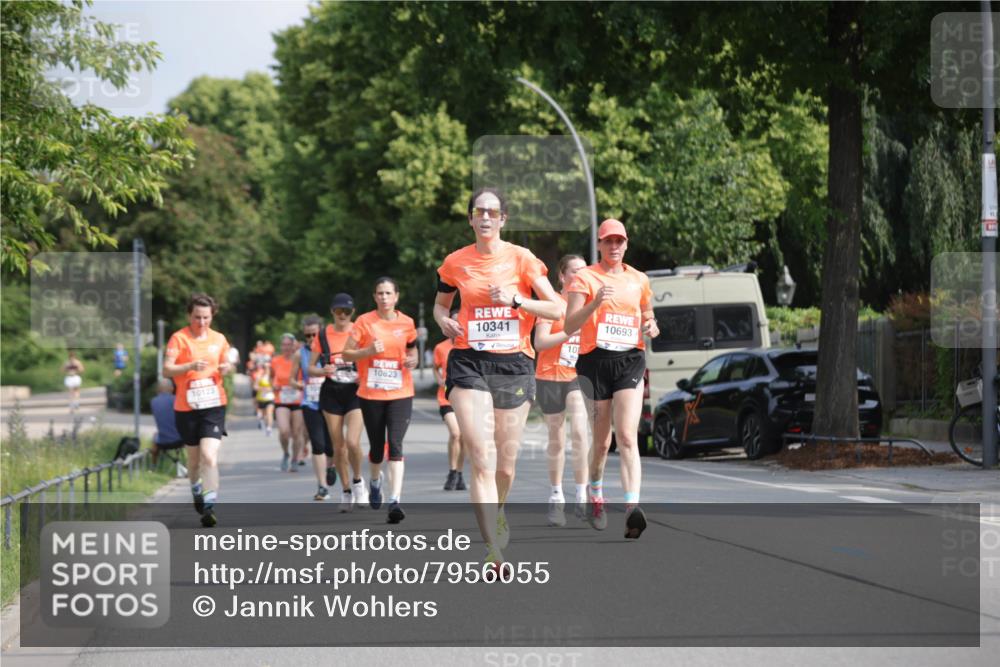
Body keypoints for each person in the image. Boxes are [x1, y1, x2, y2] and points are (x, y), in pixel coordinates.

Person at [434, 187, 563, 565]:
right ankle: (492, 550)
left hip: (513, 364)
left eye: (493, 212)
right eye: (479, 212)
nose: (486, 217)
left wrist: (515, 300)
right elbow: (442, 305)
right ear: (471, 219)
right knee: (481, 455)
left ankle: (499, 509)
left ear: (503, 219)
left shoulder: (523, 260)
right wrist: (445, 323)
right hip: (469, 360)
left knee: (505, 464)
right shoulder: (455, 262)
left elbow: (555, 310)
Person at [564, 219, 660, 539]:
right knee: (602, 441)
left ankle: (633, 509)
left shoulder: (640, 280)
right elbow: (568, 325)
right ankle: (596, 492)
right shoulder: (585, 278)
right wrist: (595, 303)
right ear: (600, 245)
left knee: (629, 437)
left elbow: (647, 314)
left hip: (630, 360)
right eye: (609, 241)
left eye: (620, 241)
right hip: (594, 362)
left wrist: (651, 325)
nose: (614, 247)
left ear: (626, 244)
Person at [342, 277, 418, 524]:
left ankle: (395, 500)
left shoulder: (407, 323)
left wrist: (413, 360)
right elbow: (346, 353)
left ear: (396, 296)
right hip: (371, 393)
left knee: (395, 446)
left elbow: (412, 349)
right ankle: (375, 481)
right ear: (374, 297)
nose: (384, 297)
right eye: (379, 293)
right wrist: (367, 352)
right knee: (376, 447)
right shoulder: (364, 322)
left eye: (388, 293)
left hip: (401, 392)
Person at [163, 293, 234, 528]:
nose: (201, 322)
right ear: (189, 315)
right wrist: (190, 366)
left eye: (205, 318)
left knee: (209, 456)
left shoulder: (219, 339)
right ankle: (196, 489)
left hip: (213, 404)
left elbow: (228, 364)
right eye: (196, 317)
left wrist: (227, 367)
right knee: (193, 461)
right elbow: (167, 370)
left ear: (212, 316)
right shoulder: (179, 339)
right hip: (186, 406)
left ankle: (210, 505)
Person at [533, 254, 590, 526]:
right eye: (574, 271)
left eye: (583, 270)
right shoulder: (551, 303)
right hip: (549, 375)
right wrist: (568, 332)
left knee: (579, 431)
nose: (579, 275)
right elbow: (540, 343)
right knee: (556, 437)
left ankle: (581, 495)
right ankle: (556, 497)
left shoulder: (589, 304)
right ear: (561, 276)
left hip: (578, 376)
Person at [310, 293, 368, 512]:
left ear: (352, 313)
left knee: (353, 442)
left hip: (355, 391)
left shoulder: (360, 331)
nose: (342, 315)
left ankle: (358, 481)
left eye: (346, 311)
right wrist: (322, 370)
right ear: (332, 312)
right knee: (338, 447)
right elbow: (311, 367)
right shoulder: (324, 334)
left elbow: (370, 358)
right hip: (331, 391)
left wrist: (363, 373)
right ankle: (346, 491)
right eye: (338, 311)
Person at [292, 316, 336, 501]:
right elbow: (291, 379)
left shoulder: (330, 350)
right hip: (310, 403)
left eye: (314, 335)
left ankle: (331, 465)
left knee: (331, 446)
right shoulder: (299, 354)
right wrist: (299, 385)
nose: (311, 339)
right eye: (307, 335)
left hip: (331, 401)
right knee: (318, 445)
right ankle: (322, 486)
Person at [433, 313, 466, 491]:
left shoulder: (472, 345)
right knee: (455, 434)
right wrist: (438, 378)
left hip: (467, 398)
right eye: (455, 321)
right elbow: (435, 367)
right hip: (446, 397)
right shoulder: (441, 347)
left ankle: (460, 473)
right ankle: (452, 472)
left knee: (465, 438)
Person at [272, 333, 307, 472]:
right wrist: (272, 385)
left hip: (297, 398)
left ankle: (295, 458)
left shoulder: (299, 359)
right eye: (284, 345)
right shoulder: (275, 361)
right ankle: (286, 453)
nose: (286, 347)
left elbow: (307, 376)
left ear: (294, 346)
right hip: (281, 399)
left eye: (289, 345)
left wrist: (299, 384)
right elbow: (270, 377)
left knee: (297, 432)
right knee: (284, 431)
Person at [150, 379, 184, 470]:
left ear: (158, 389)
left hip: (162, 441)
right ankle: (193, 465)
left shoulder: (153, 401)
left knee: (154, 436)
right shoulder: (177, 399)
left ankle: (153, 467)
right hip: (180, 440)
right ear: (172, 388)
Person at [253, 362, 276, 439]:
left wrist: (269, 389)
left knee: (269, 413)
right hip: (261, 398)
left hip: (270, 398)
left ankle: (269, 428)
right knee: (264, 415)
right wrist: (262, 388)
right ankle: (264, 423)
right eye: (265, 367)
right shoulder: (260, 376)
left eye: (268, 367)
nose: (267, 369)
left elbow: (275, 387)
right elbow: (255, 386)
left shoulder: (272, 377)